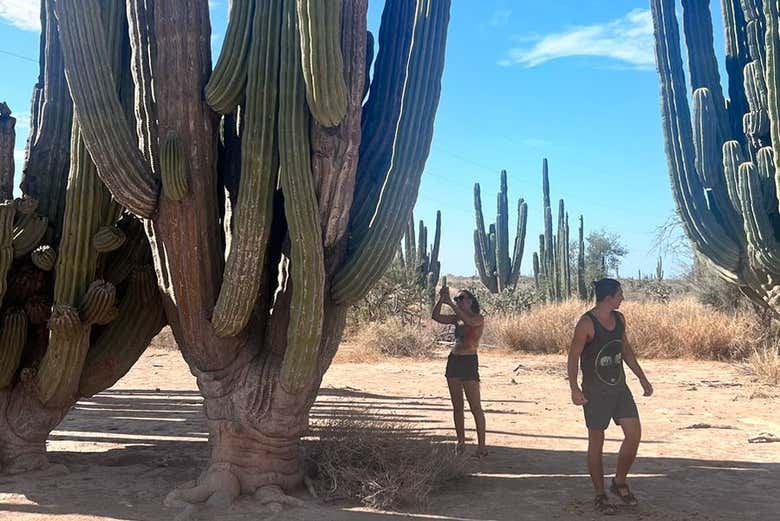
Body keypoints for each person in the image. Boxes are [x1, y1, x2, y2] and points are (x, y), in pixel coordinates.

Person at [567, 278, 653, 515]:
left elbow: (625, 350)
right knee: (597, 442)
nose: (623, 298)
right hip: (595, 392)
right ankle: (599, 494)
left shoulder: (620, 319)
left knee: (634, 434)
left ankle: (619, 482)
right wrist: (574, 388)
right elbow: (573, 356)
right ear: (609, 298)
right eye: (620, 294)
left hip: (619, 389)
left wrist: (642, 378)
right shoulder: (587, 323)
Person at [432, 285, 486, 457]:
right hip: (454, 361)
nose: (458, 302)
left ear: (471, 301)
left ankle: (482, 446)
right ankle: (461, 442)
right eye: (457, 299)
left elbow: (469, 322)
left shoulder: (478, 318)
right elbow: (436, 316)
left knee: (475, 406)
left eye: (461, 298)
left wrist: (450, 303)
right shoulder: (457, 318)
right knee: (457, 406)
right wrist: (442, 299)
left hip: (469, 361)